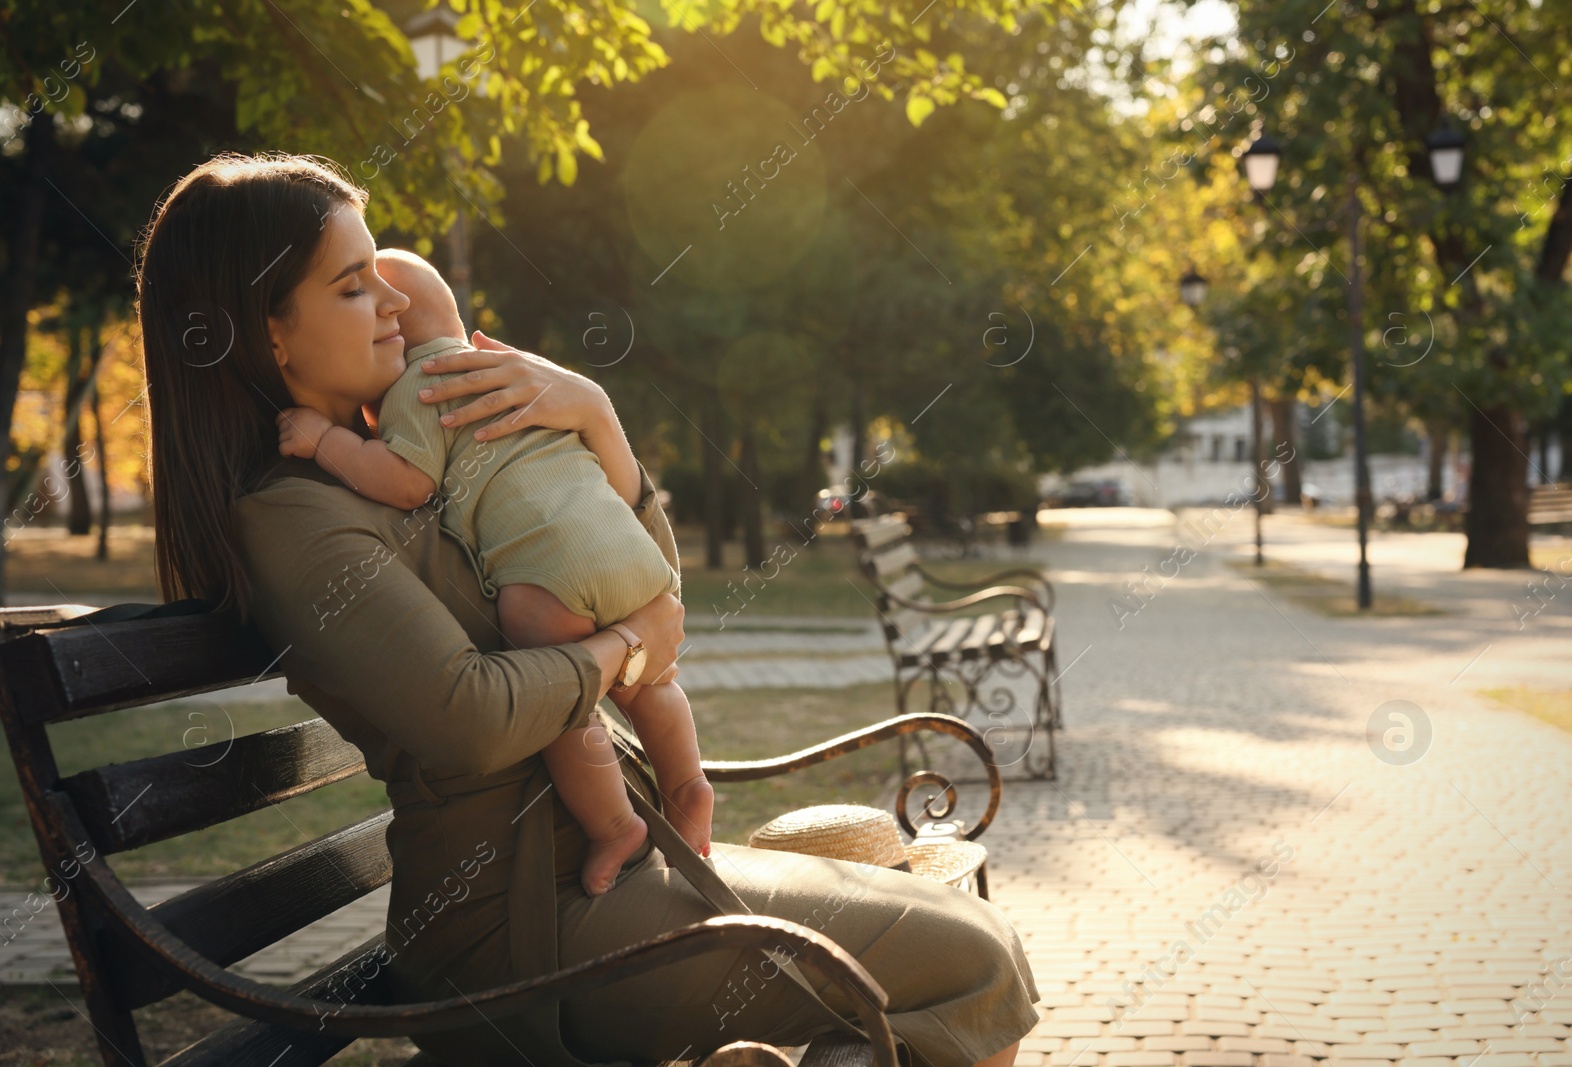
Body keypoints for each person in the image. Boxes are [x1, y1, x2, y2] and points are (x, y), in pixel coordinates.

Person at [137, 151, 1038, 1067]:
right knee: (973, 960)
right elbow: (471, 717)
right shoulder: (295, 514)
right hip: (519, 931)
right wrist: (619, 651)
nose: (398, 304)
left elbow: (647, 585)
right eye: (354, 286)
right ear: (268, 334)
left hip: (602, 868)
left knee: (963, 933)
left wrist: (594, 419)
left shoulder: (401, 453)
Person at [272, 246, 711, 896]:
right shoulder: (510, 375)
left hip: (550, 574)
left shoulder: (419, 390)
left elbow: (407, 482)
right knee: (657, 683)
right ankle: (687, 783)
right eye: (352, 290)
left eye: (386, 298)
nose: (384, 308)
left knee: (565, 704)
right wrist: (591, 409)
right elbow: (661, 613)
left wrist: (327, 441)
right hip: (628, 554)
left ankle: (615, 824)